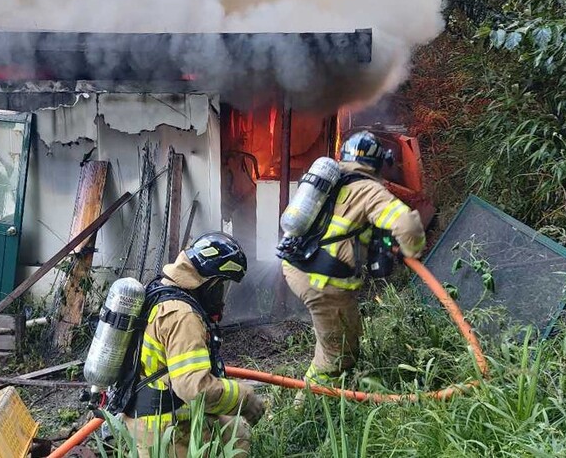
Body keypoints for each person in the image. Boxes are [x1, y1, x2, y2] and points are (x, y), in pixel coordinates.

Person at [281, 131, 427, 390]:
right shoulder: (369, 189)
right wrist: (412, 250)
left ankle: (325, 363)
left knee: (334, 333)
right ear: (378, 163)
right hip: (323, 280)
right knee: (339, 355)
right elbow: (407, 224)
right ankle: (311, 411)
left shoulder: (333, 178)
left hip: (297, 266)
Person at [121, 232, 265, 457]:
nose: (222, 297)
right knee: (236, 446)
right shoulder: (183, 315)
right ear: (210, 282)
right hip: (168, 430)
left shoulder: (159, 289)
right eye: (222, 285)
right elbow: (195, 389)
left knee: (236, 432)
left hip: (151, 414)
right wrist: (245, 399)